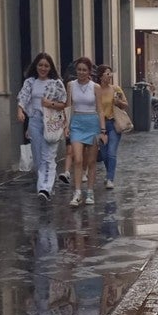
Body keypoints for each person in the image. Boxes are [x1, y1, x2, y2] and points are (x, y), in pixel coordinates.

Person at [16, 52, 67, 202]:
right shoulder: (30, 82)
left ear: (50, 67)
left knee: (48, 156)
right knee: (38, 158)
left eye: (46, 65)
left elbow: (64, 103)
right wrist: (20, 111)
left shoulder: (56, 83)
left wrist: (49, 104)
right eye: (40, 65)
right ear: (36, 66)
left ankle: (44, 188)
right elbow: (23, 98)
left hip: (51, 121)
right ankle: (48, 183)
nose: (43, 68)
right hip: (35, 121)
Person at [66, 57, 107, 207]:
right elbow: (68, 107)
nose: (81, 72)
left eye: (84, 69)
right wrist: (66, 126)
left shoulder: (95, 87)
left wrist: (103, 130)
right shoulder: (70, 85)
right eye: (79, 69)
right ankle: (77, 192)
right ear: (76, 70)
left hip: (92, 123)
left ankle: (89, 191)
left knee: (90, 161)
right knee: (77, 159)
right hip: (77, 123)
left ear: (89, 71)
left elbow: (100, 109)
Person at [96, 65, 128, 190]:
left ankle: (110, 178)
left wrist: (118, 102)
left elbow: (126, 105)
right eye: (107, 73)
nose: (110, 76)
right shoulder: (96, 89)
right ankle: (109, 172)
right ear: (101, 76)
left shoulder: (116, 89)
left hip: (113, 124)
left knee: (111, 152)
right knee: (104, 154)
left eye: (110, 74)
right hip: (99, 124)